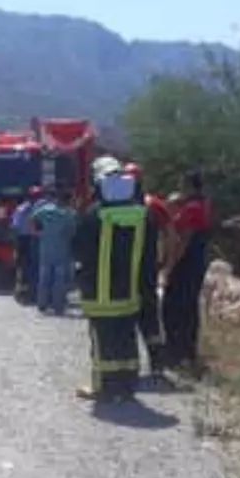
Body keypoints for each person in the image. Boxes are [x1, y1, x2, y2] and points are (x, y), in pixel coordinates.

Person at [72, 156, 160, 403]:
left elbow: (78, 249)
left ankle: (103, 387)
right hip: (129, 292)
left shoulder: (92, 215)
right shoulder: (143, 215)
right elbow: (150, 254)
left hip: (99, 293)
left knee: (102, 339)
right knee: (126, 337)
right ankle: (127, 385)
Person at [160, 171, 213, 376]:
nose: (181, 189)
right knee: (187, 307)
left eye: (183, 185)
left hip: (186, 264)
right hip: (195, 263)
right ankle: (185, 352)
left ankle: (178, 352)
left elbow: (183, 241)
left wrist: (169, 266)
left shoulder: (192, 209)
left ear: (190, 186)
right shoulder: (201, 204)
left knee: (175, 307)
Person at [30, 189, 77, 315]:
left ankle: (42, 304)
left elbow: (32, 219)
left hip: (45, 248)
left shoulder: (44, 210)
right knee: (59, 279)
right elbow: (72, 232)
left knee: (44, 277)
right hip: (62, 250)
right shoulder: (68, 214)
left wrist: (38, 233)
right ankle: (58, 306)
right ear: (67, 201)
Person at [9, 186, 42, 301]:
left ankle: (30, 292)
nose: (37, 198)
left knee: (29, 266)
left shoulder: (22, 209)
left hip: (29, 239)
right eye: (36, 196)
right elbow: (14, 228)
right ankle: (21, 292)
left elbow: (14, 227)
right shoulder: (27, 209)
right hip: (26, 240)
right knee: (24, 267)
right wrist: (15, 244)